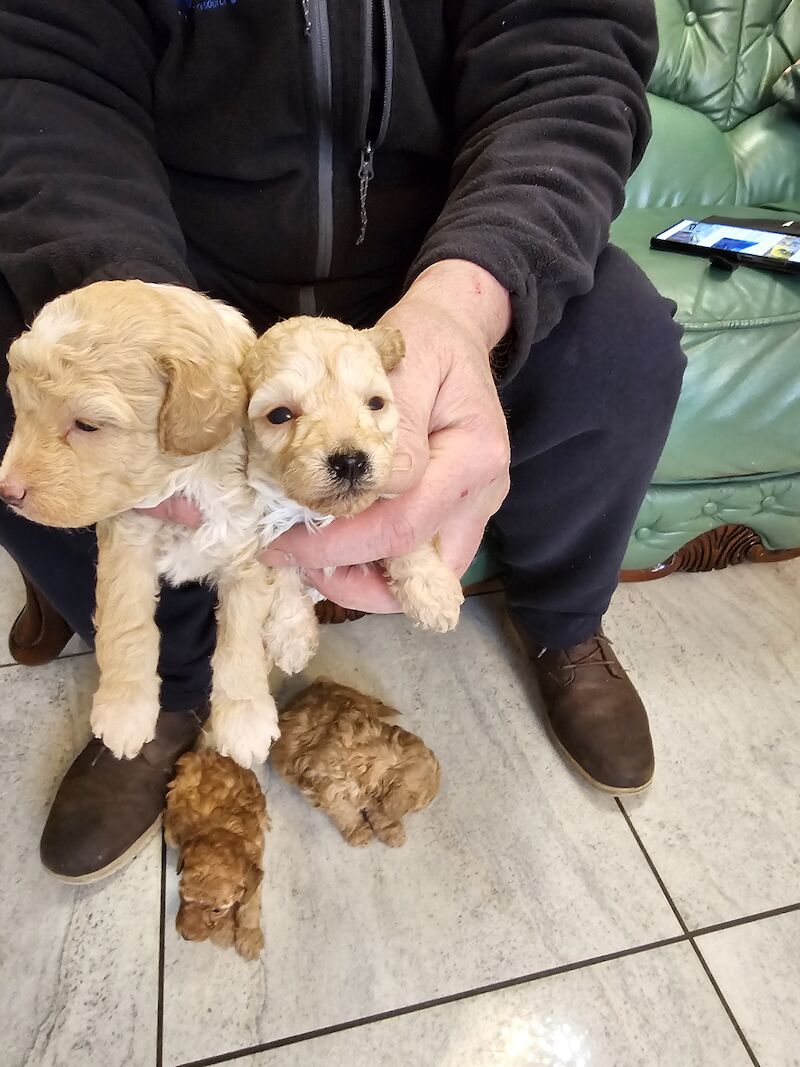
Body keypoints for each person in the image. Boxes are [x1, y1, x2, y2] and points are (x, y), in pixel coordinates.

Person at [0, 0, 685, 883]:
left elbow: (572, 61)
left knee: (626, 350)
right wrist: (137, 334)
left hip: (438, 252)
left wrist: (463, 303)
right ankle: (167, 681)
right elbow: (43, 83)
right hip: (176, 261)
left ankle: (564, 619)